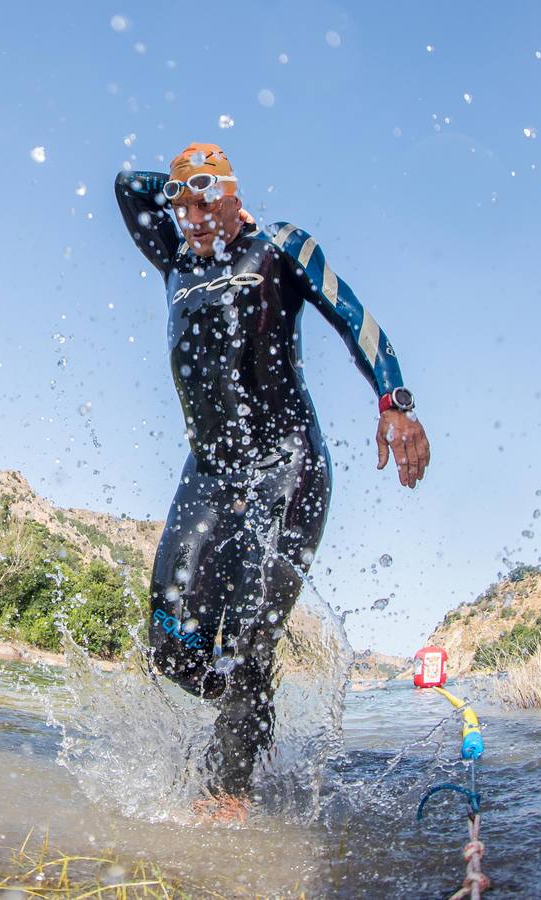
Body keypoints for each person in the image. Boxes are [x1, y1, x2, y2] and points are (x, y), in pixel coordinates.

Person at [113, 142, 430, 813]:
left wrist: (394, 403)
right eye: (182, 204)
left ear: (233, 193)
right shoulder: (174, 260)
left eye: (207, 200)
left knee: (252, 632)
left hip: (286, 466)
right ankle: (244, 714)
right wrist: (177, 180)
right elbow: (124, 184)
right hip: (208, 474)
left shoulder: (281, 246)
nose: (194, 216)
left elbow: (355, 318)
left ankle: (227, 793)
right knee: (172, 644)